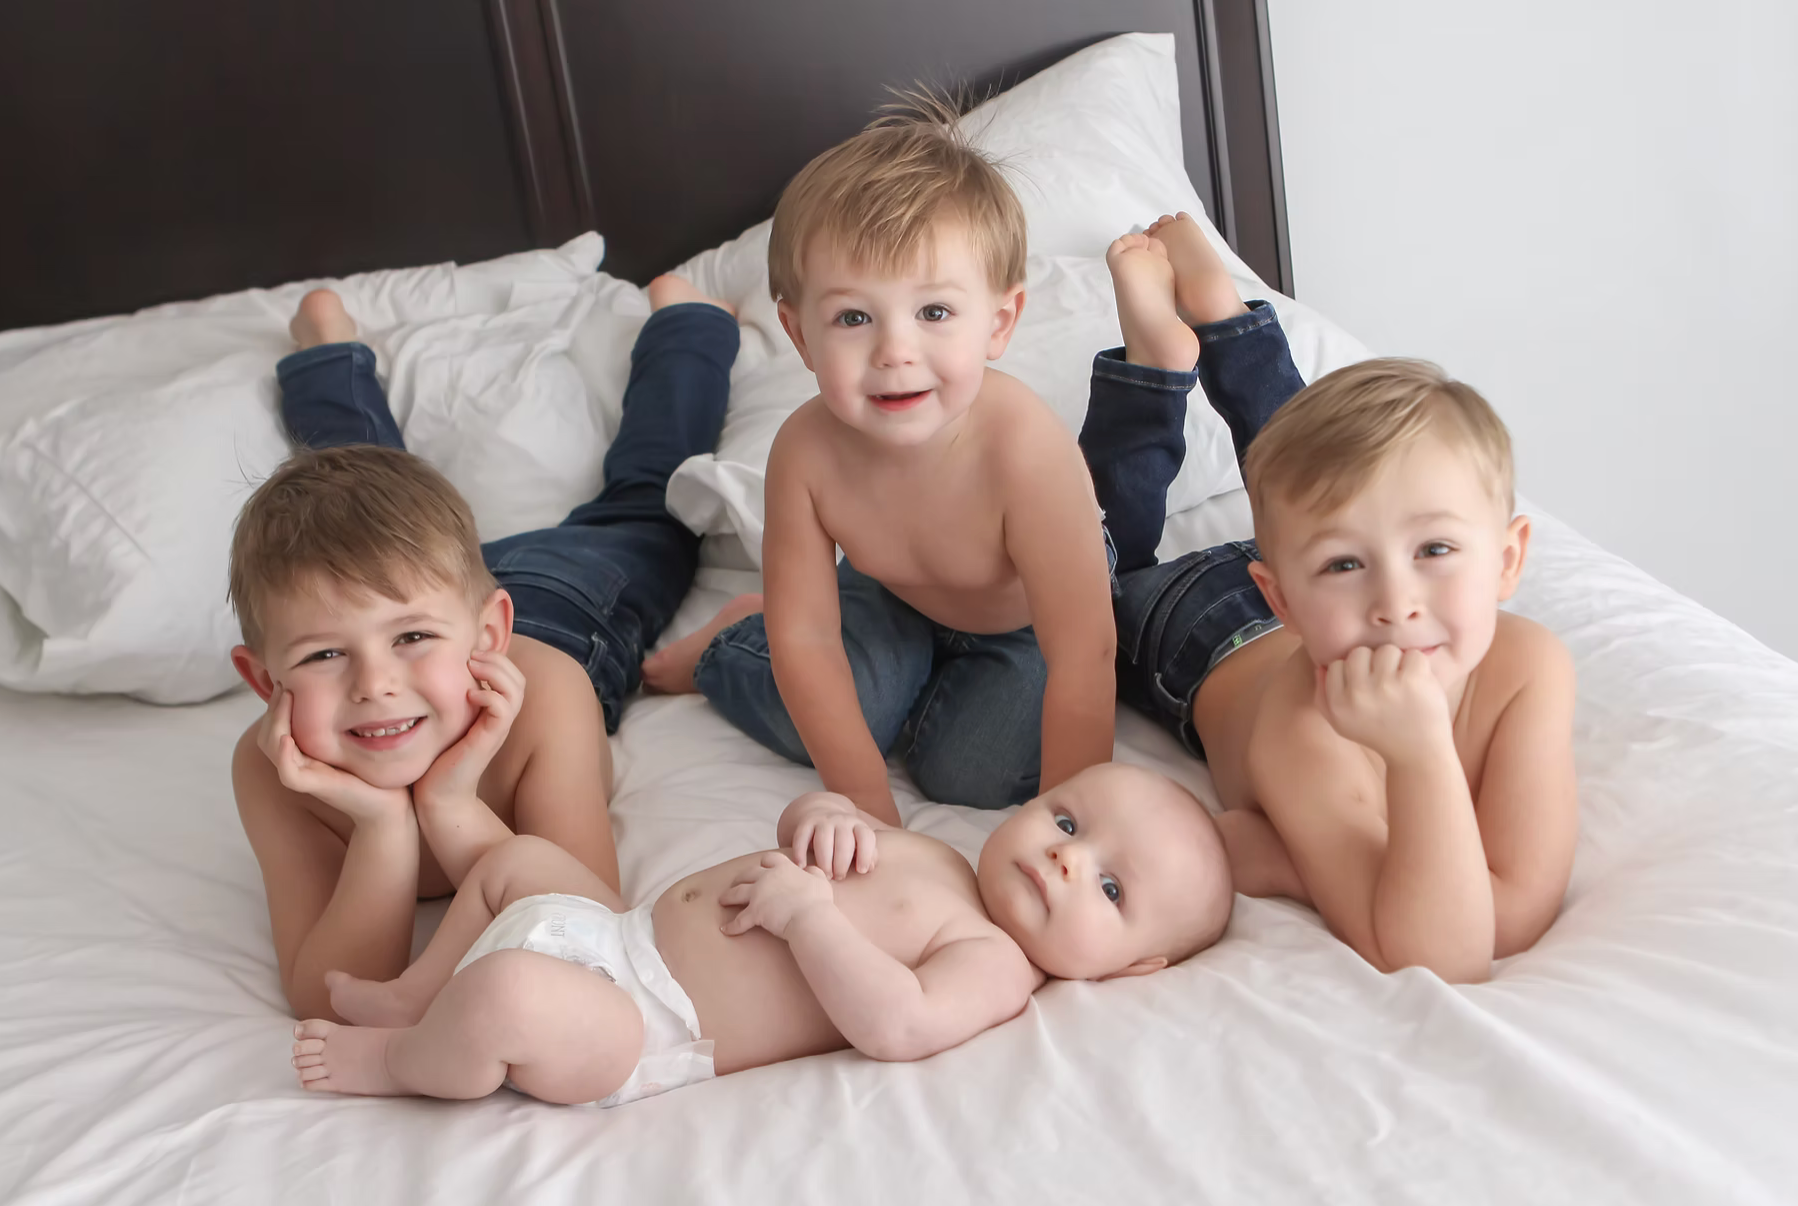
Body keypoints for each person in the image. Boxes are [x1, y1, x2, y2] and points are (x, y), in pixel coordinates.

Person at [1084, 212, 1578, 983]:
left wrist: (1302, 861)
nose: (1396, 601)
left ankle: (1223, 319)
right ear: (1276, 595)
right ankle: (1155, 363)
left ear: (1509, 559)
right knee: (1102, 550)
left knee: (1331, 484)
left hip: (1312, 589)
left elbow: (1512, 912)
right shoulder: (1302, 733)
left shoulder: (1531, 668)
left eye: (1436, 550)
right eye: (1359, 565)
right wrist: (1417, 757)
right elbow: (1444, 950)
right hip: (1194, 626)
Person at [229, 277, 741, 1020]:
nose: (374, 684)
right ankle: (325, 346)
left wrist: (449, 800)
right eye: (322, 657)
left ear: (488, 633)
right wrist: (381, 827)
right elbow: (331, 998)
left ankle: (687, 324)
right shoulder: (270, 768)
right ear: (260, 678)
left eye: (405, 640)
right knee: (353, 495)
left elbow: (586, 931)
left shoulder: (546, 702)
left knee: (651, 506)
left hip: (564, 608)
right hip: (438, 602)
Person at [641, 111, 1117, 820]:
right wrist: (865, 802)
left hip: (1024, 620)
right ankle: (732, 642)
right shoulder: (806, 453)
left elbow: (1083, 651)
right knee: (814, 721)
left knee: (977, 775)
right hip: (891, 591)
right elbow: (805, 638)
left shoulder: (1025, 454)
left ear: (999, 322)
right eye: (854, 319)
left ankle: (909, 688)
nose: (896, 351)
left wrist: (1075, 828)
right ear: (800, 335)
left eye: (933, 312)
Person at [287, 763, 1234, 1105]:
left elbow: (896, 1024)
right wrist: (817, 816)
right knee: (514, 862)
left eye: (1109, 887)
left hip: (643, 1026)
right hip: (620, 933)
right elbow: (809, 835)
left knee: (504, 1000)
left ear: (1133, 966)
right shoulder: (940, 855)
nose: (1067, 859)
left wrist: (814, 919)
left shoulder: (994, 964)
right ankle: (413, 993)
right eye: (1066, 822)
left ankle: (406, 1057)